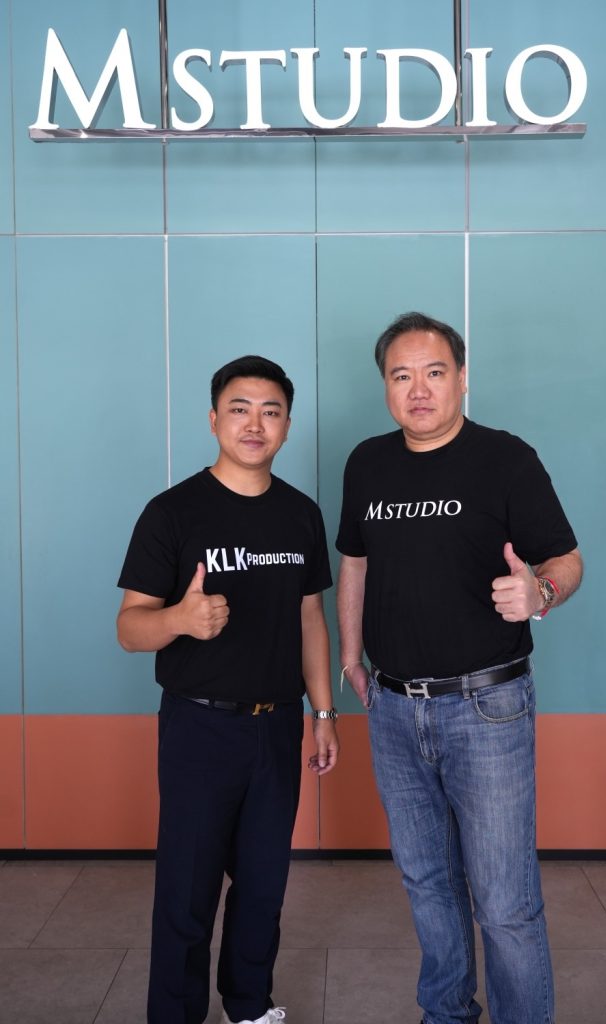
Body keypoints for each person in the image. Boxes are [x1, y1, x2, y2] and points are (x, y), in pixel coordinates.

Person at [336, 312, 582, 1024]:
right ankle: (445, 1014)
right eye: (401, 375)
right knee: (427, 884)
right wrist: (350, 654)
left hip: (487, 709)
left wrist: (541, 593)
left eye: (434, 372)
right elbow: (355, 563)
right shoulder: (366, 463)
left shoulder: (505, 459)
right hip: (392, 707)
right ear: (385, 386)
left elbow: (566, 559)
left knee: (504, 902)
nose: (418, 390)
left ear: (463, 379)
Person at [117, 355, 339, 1024]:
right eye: (240, 409)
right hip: (199, 727)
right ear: (214, 419)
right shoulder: (172, 512)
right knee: (187, 887)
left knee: (263, 884)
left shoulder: (300, 514)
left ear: (288, 425)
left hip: (277, 724)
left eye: (271, 411)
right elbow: (129, 628)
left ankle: (249, 1006)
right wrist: (180, 620)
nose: (254, 424)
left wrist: (323, 712)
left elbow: (310, 618)